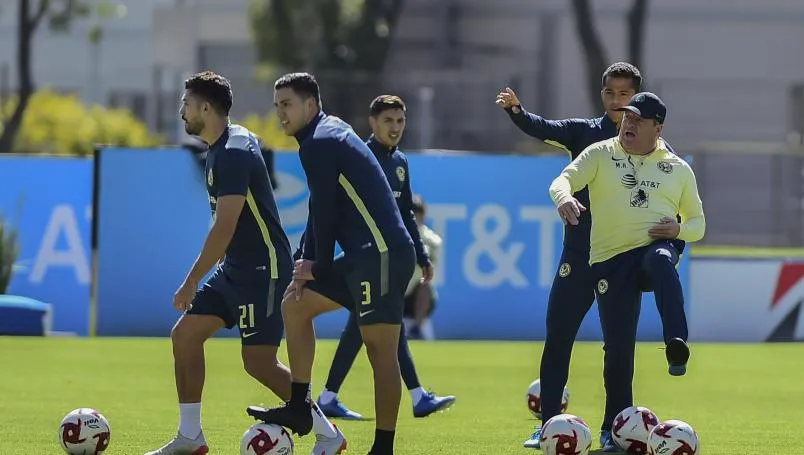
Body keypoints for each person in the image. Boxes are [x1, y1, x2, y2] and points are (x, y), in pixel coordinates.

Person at [147, 71, 345, 455]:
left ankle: (328, 433)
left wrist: (190, 282)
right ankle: (190, 438)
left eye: (186, 104)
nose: (181, 111)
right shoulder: (222, 147)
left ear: (206, 107)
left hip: (264, 270)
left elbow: (225, 225)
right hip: (236, 269)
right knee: (184, 336)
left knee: (258, 362)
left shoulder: (234, 150)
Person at [497, 62, 688, 451]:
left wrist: (676, 229)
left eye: (625, 94)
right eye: (610, 93)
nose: (617, 101)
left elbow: (674, 193)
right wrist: (517, 112)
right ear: (602, 95)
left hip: (622, 260)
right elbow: (543, 128)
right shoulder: (586, 134)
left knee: (618, 346)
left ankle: (613, 428)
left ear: (637, 97)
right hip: (580, 254)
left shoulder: (658, 149)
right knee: (559, 336)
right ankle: (549, 424)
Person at [247, 73, 416, 455]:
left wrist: (316, 266)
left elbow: (324, 210)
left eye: (287, 105)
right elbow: (319, 207)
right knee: (295, 305)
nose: (281, 114)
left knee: (380, 351)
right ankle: (299, 407)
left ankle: (383, 448)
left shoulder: (320, 142)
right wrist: (304, 261)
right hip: (361, 256)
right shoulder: (323, 134)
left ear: (310, 105)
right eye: (277, 107)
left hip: (383, 255)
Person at [549, 92, 704, 451]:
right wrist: (565, 198)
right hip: (610, 259)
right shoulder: (600, 153)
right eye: (626, 117)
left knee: (662, 261)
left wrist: (678, 231)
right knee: (618, 347)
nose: (628, 124)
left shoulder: (678, 168)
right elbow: (562, 180)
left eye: (638, 120)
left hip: (654, 247)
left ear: (657, 127)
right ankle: (613, 430)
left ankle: (675, 343)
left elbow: (698, 223)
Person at [314, 95, 455, 421]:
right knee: (379, 324)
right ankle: (414, 397)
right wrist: (316, 256)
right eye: (388, 120)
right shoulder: (360, 157)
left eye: (401, 121)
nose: (395, 127)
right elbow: (328, 209)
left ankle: (330, 396)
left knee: (370, 325)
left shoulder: (400, 162)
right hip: (364, 259)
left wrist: (421, 255)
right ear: (372, 122)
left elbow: (405, 213)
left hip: (387, 261)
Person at [402, 195, 441, 341]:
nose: (415, 218)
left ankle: (416, 328)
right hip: (395, 293)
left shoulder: (431, 240)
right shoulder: (396, 234)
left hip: (414, 297)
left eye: (418, 213)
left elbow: (428, 264)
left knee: (425, 287)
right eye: (413, 212)